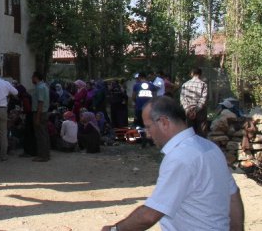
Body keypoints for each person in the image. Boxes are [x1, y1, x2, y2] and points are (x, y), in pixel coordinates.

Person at [101, 96, 244, 231]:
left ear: (163, 122)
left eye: (148, 127)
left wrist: (115, 229)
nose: (148, 134)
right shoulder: (209, 147)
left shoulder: (180, 157)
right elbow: (233, 195)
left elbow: (150, 215)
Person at [180, 67, 208, 138]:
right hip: (200, 111)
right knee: (201, 132)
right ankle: (201, 148)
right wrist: (196, 110)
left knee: (190, 132)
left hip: (188, 111)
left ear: (192, 74)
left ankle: (191, 148)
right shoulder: (203, 84)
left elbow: (182, 98)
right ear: (200, 74)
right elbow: (203, 99)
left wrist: (188, 109)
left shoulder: (185, 84)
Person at [32, 72, 51, 162]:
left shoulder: (40, 87)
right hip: (44, 112)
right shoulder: (45, 86)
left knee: (40, 135)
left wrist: (37, 117)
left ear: (35, 77)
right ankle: (46, 154)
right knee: (44, 134)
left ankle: (42, 156)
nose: (31, 79)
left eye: (32, 77)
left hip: (39, 112)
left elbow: (40, 102)